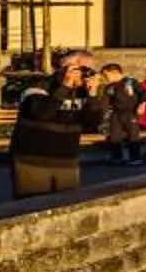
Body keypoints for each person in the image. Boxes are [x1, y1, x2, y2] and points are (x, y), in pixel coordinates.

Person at [12, 57, 105, 198]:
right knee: (34, 207)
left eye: (89, 70)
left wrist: (92, 96)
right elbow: (42, 113)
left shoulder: (84, 92)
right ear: (65, 68)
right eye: (82, 70)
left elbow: (93, 123)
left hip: (66, 160)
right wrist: (65, 87)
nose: (86, 75)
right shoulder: (37, 88)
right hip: (32, 160)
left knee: (65, 206)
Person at [96, 63, 145, 165]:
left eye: (106, 75)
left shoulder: (130, 82)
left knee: (133, 135)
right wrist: (103, 114)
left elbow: (143, 93)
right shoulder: (109, 87)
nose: (105, 78)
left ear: (115, 73)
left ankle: (135, 157)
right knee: (115, 135)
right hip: (116, 113)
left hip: (131, 112)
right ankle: (117, 157)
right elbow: (105, 101)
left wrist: (142, 104)